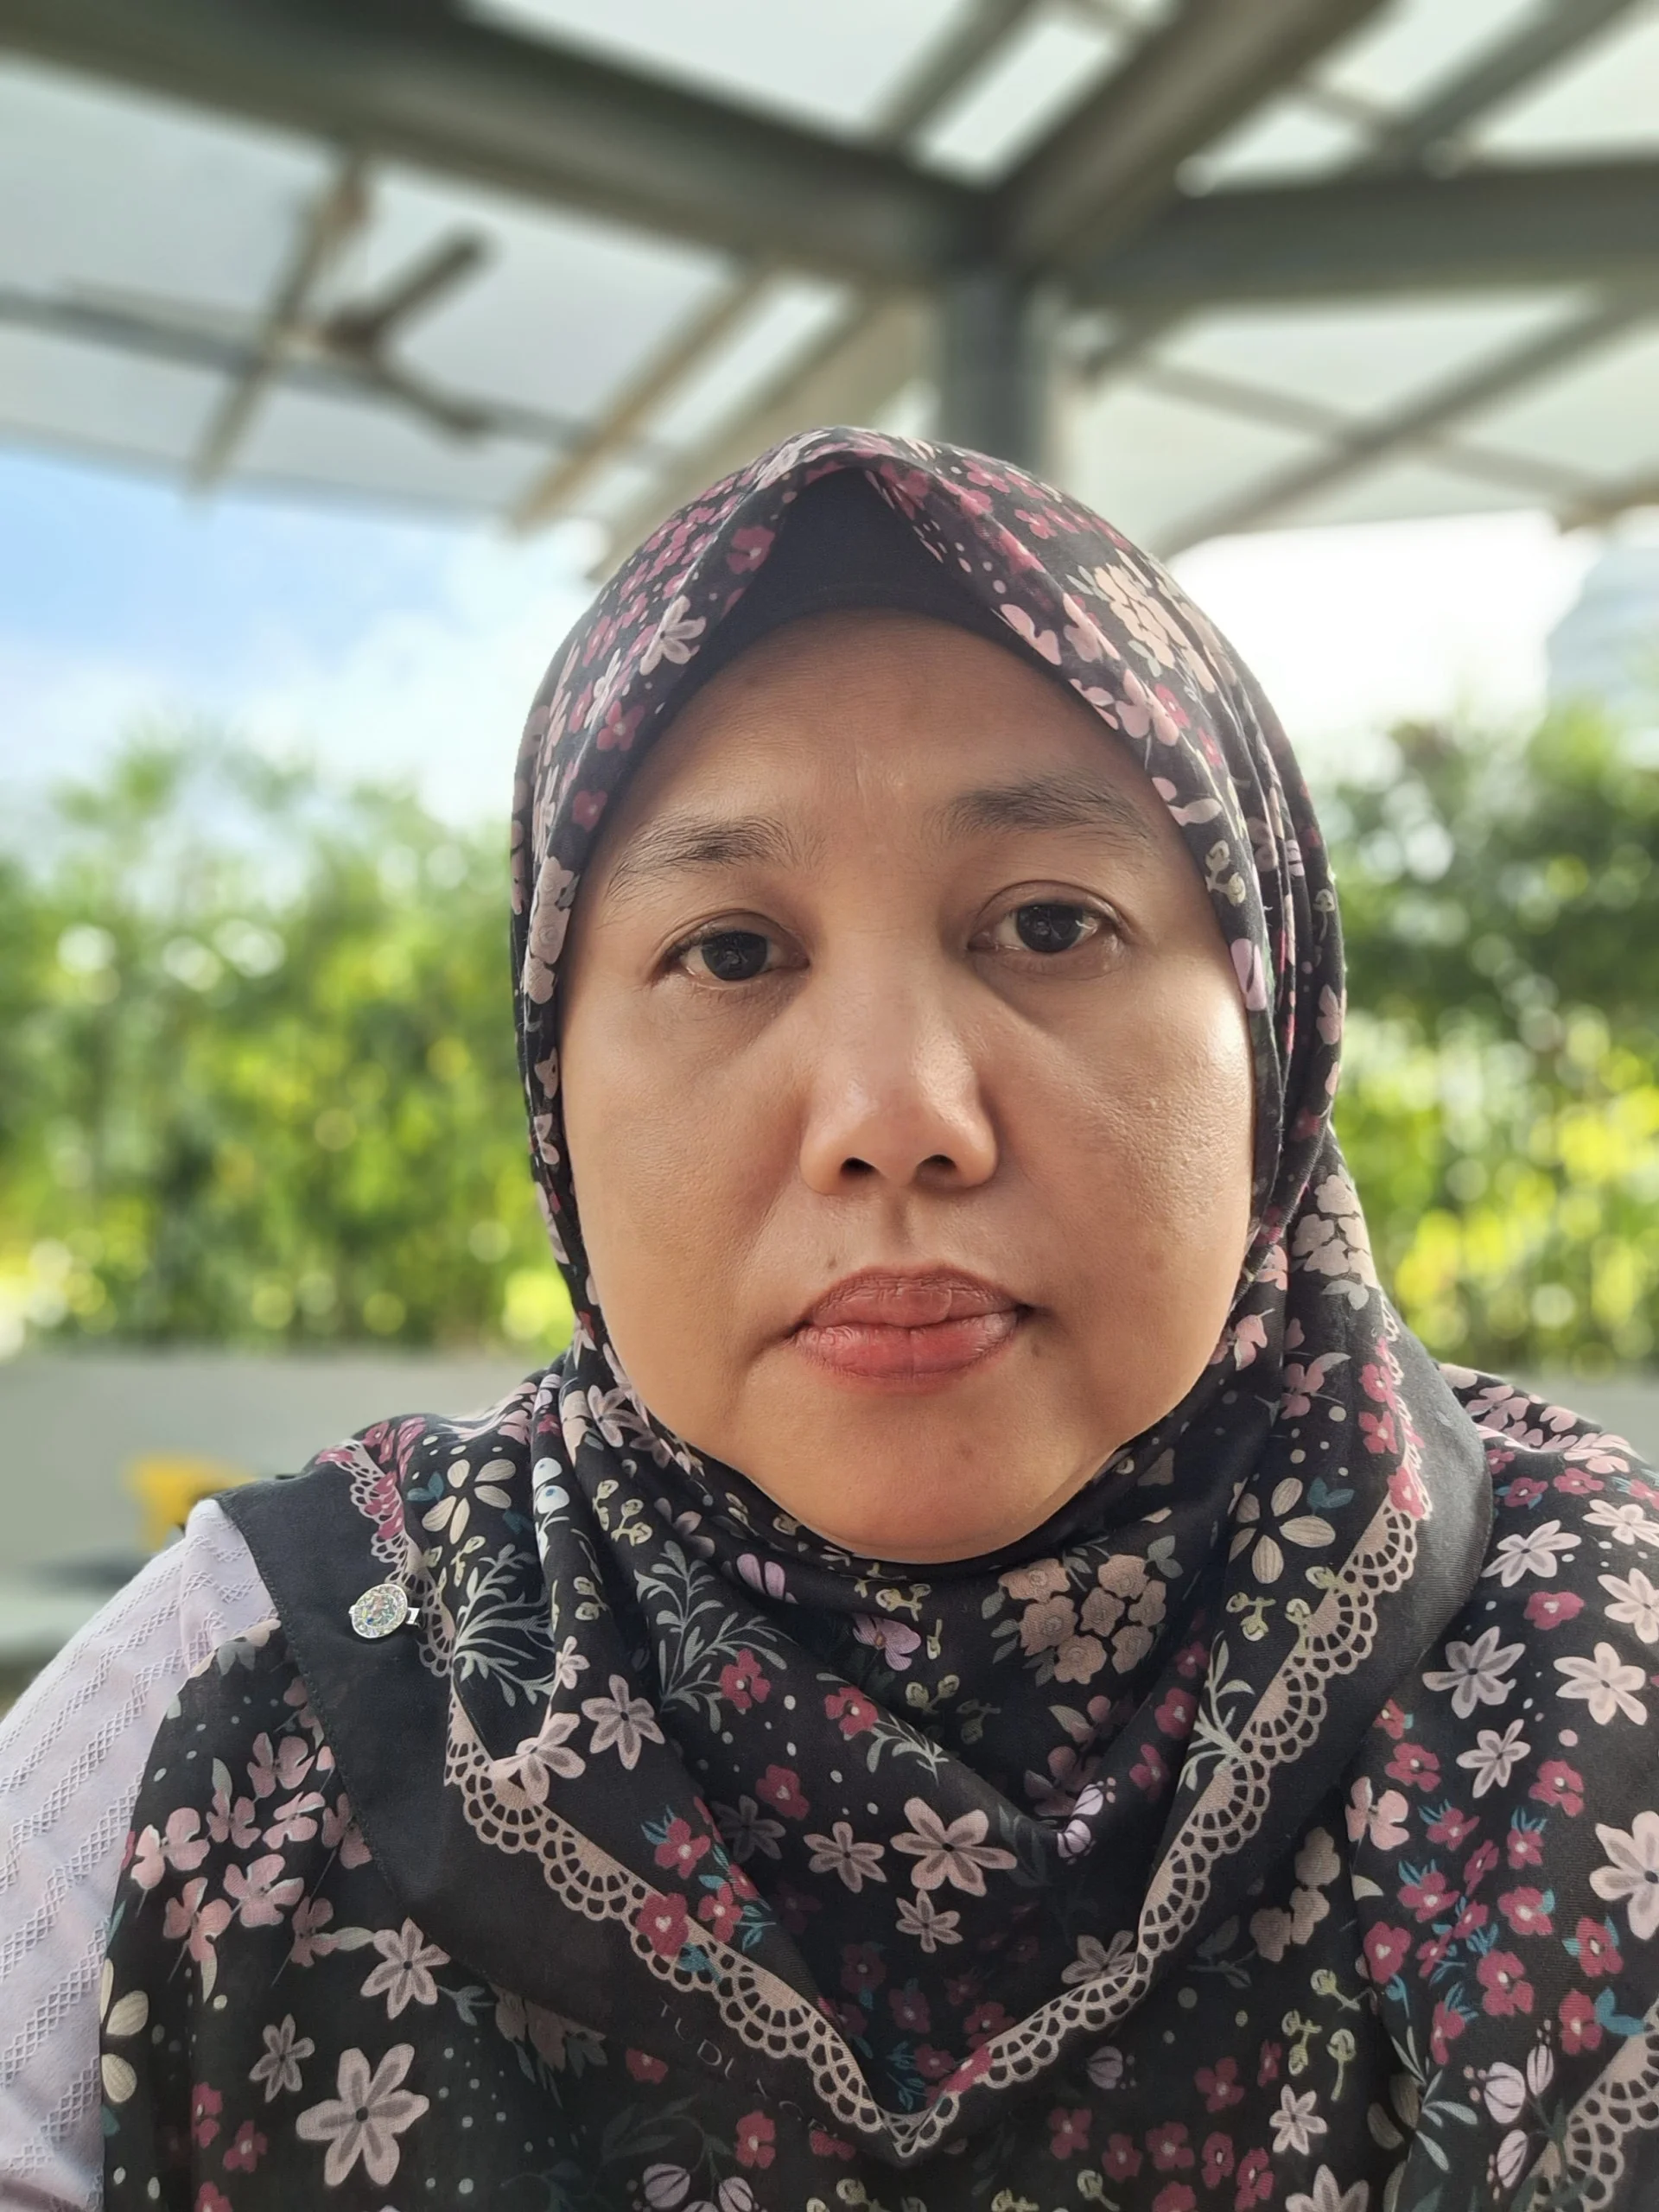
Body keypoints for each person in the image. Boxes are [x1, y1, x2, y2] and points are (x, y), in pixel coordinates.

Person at [3, 428, 1657, 2212]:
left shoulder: (1595, 1678)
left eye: (1048, 922)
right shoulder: (250, 1697)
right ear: (556, 1084)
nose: (895, 1114)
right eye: (730, 950)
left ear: (1273, 1023)